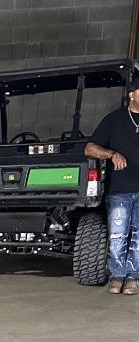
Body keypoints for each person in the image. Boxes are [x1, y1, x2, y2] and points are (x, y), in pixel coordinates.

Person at [85, 79, 139, 295]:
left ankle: (133, 278)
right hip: (120, 190)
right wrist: (111, 154)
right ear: (132, 95)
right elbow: (89, 148)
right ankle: (117, 276)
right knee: (118, 236)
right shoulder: (114, 120)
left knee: (138, 237)